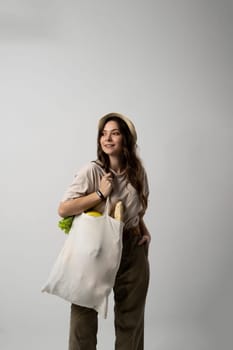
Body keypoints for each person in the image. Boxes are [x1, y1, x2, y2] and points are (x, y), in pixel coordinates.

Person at [58, 112, 151, 350]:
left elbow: (136, 210)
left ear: (126, 140)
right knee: (83, 314)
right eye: (103, 133)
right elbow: (64, 208)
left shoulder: (138, 174)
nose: (107, 139)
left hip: (132, 250)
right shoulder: (92, 171)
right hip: (97, 249)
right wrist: (99, 194)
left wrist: (143, 230)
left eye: (115, 133)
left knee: (131, 320)